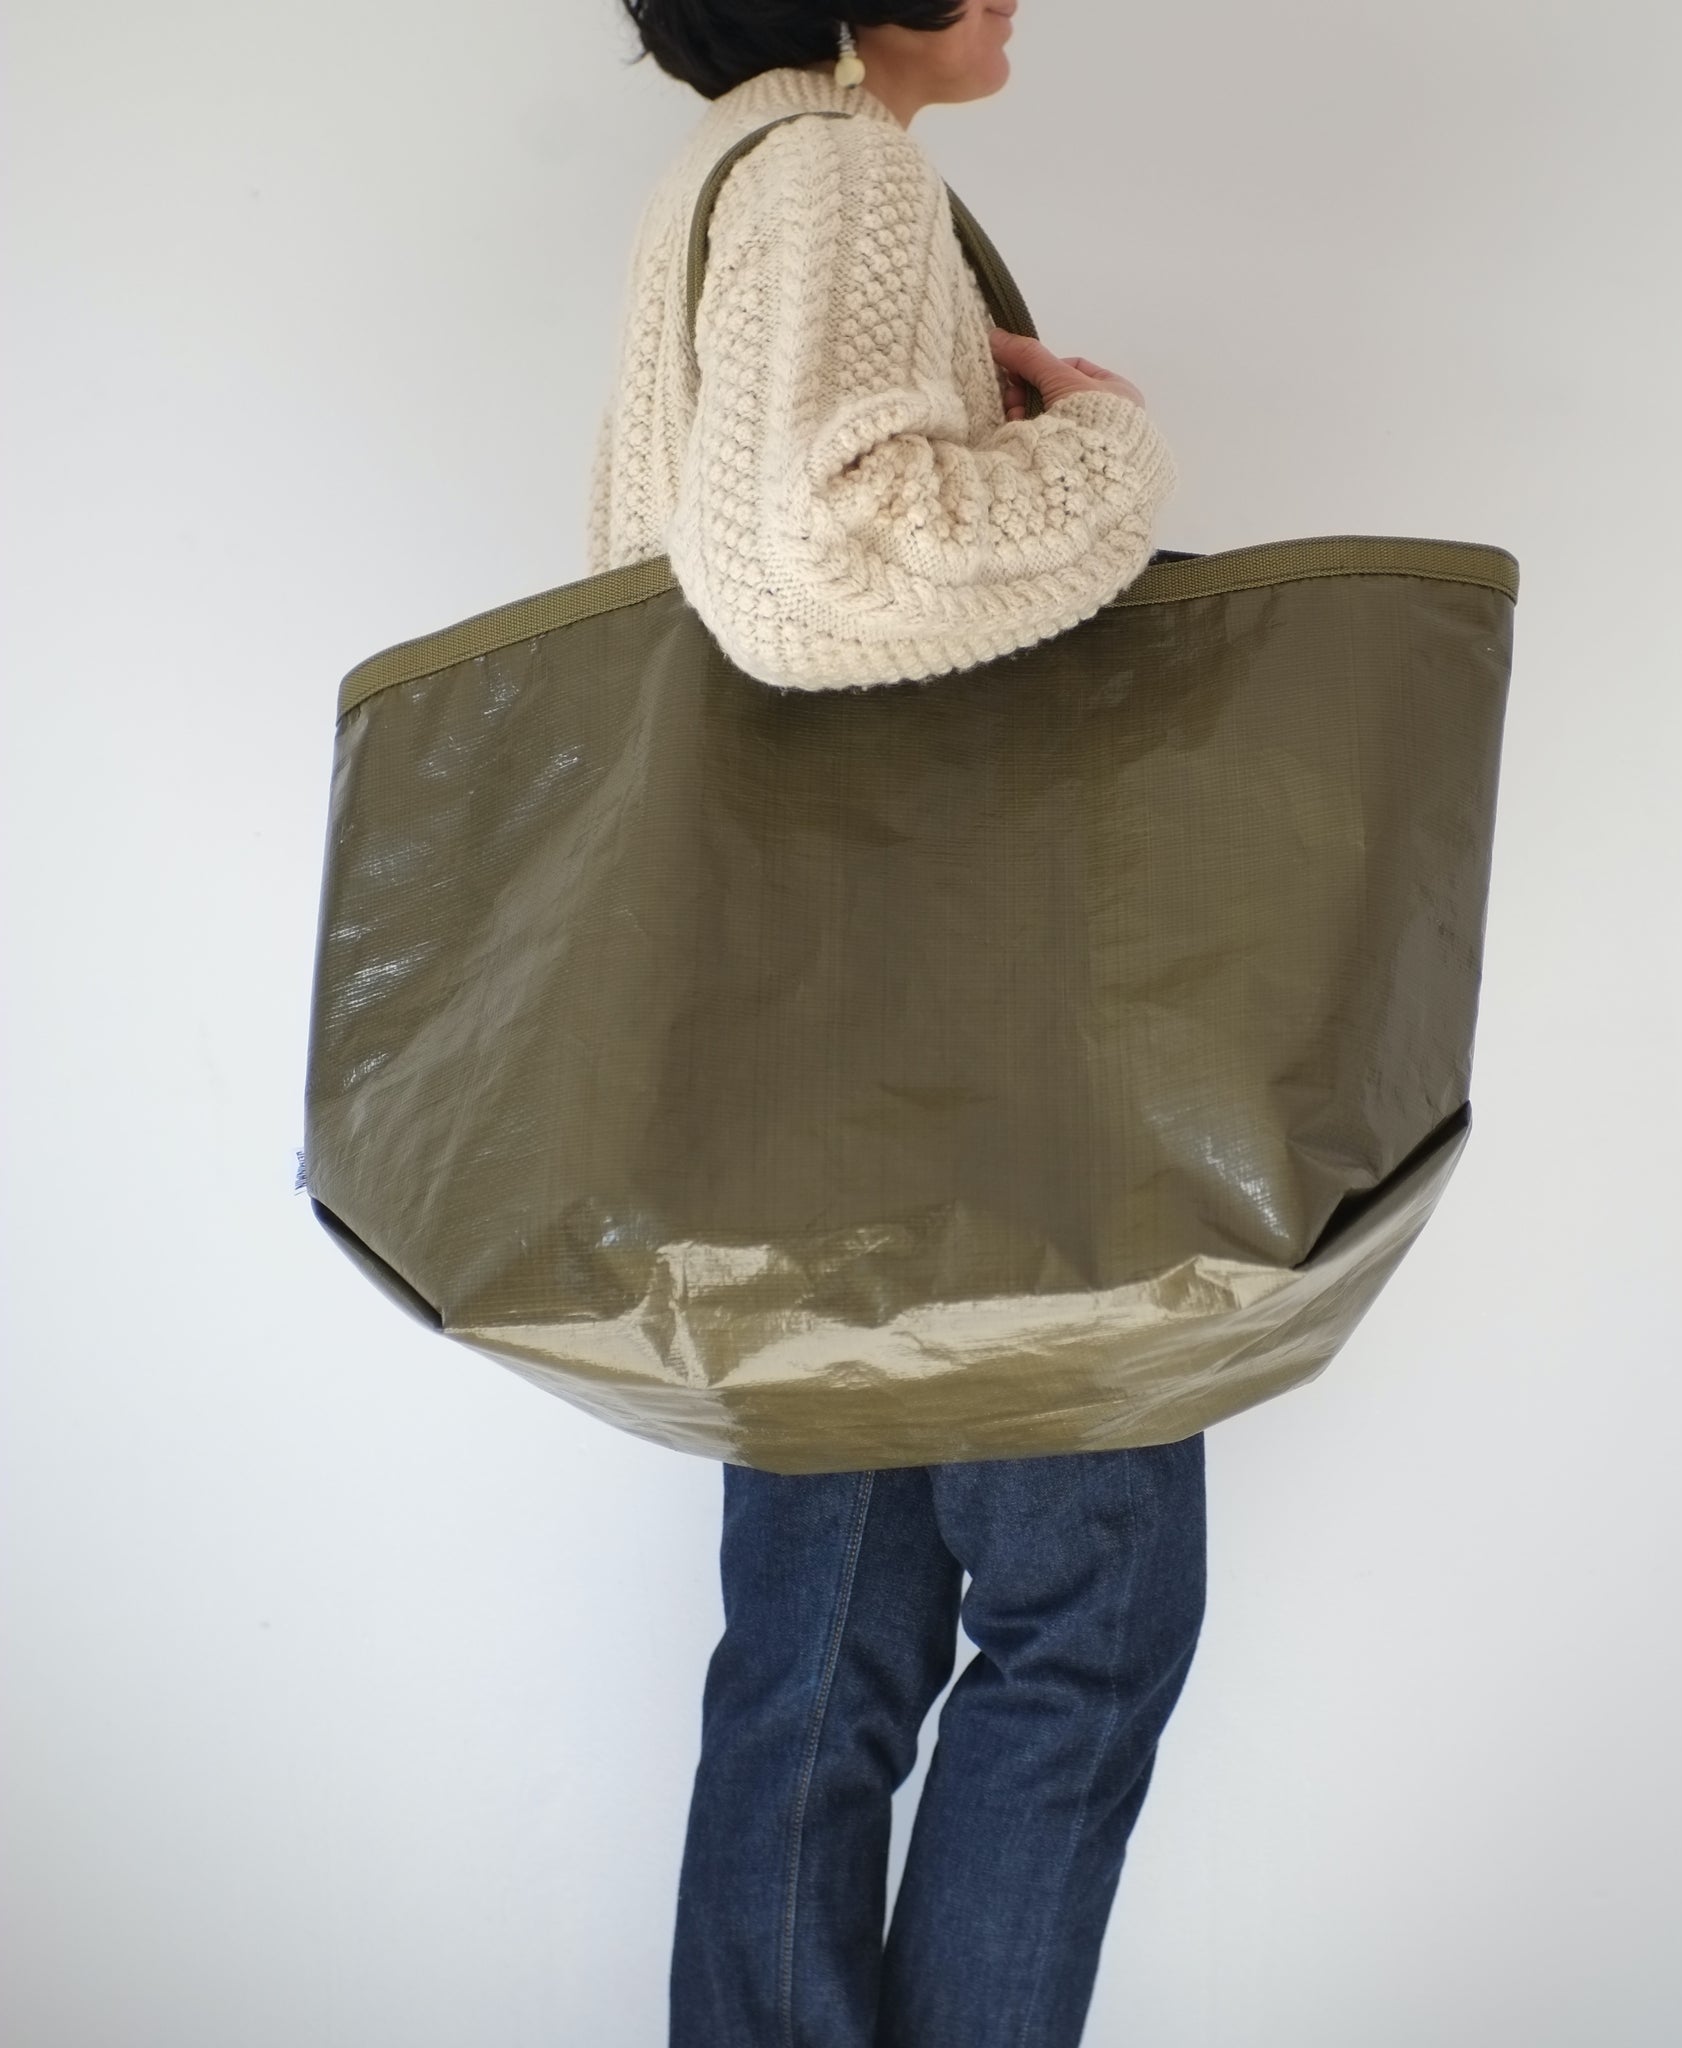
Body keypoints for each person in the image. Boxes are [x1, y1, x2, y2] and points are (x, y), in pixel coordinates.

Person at [584, 5, 1203, 2045]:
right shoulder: (840, 169)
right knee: (1086, 1620)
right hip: (958, 1059)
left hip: (794, 1049)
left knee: (821, 1660)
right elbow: (812, 568)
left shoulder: (734, 171)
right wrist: (1103, 447)